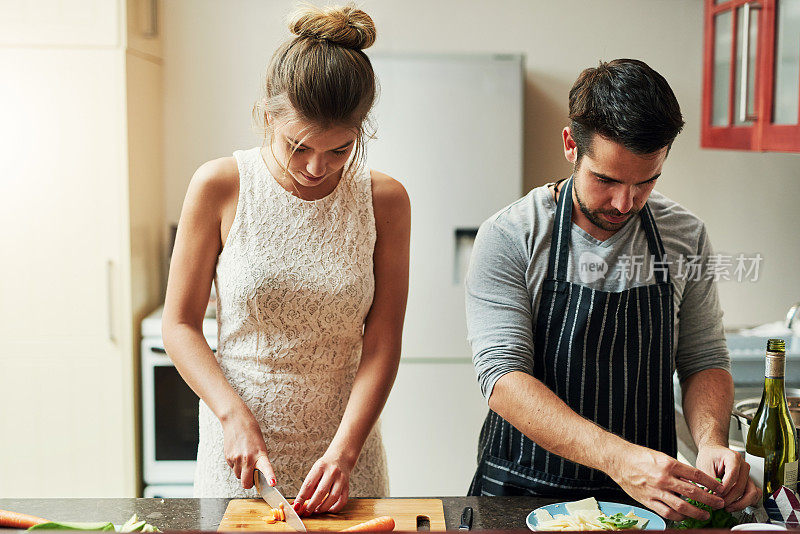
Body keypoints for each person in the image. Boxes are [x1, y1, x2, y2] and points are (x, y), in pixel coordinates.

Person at [465, 58, 759, 520]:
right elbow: (503, 378)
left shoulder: (684, 235)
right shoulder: (512, 235)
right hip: (523, 492)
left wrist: (712, 442)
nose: (625, 203)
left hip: (648, 501)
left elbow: (703, 358)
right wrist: (620, 460)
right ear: (570, 145)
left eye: (647, 182)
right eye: (606, 180)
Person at [161, 4, 410, 516]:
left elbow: (383, 341)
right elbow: (179, 325)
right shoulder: (219, 186)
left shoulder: (385, 201)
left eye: (340, 150)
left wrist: (344, 451)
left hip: (345, 461)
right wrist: (231, 415)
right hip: (239, 456)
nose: (317, 168)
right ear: (268, 115)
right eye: (298, 147)